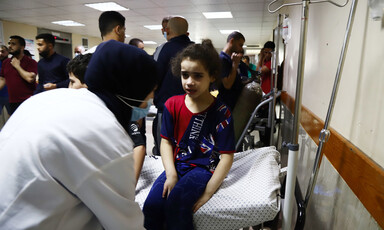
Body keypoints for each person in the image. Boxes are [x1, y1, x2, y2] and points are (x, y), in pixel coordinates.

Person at [0, 39, 157, 230]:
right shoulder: (106, 134)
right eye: (150, 94)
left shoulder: (45, 100)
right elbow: (125, 224)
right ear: (133, 91)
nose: (150, 102)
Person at [143, 40, 235, 230]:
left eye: (198, 76)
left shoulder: (221, 111)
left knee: (176, 205)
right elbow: (166, 143)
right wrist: (171, 175)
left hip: (203, 168)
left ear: (212, 76)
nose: (189, 82)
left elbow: (227, 156)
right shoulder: (172, 104)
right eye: (185, 75)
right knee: (151, 207)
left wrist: (208, 192)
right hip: (177, 164)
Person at [152, 16, 193, 155]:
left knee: (165, 154)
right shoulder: (197, 50)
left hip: (167, 112)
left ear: (167, 30)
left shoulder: (163, 49)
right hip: (194, 112)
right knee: (190, 154)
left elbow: (153, 80)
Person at [0, 36, 37, 114]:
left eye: (13, 44)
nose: (10, 46)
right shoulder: (6, 62)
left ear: (22, 47)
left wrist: (17, 66)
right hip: (12, 101)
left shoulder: (31, 62)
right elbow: (2, 80)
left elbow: (30, 78)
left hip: (28, 101)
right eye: (9, 43)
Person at [217, 31, 246, 111]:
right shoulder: (222, 59)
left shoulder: (231, 59)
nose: (241, 48)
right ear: (232, 41)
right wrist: (235, 65)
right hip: (226, 104)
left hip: (233, 103)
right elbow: (227, 85)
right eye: (240, 45)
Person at [0, 45, 10, 116]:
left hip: (9, 95)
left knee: (13, 116)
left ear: (7, 52)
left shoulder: (12, 62)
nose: (0, 53)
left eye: (2, 51)